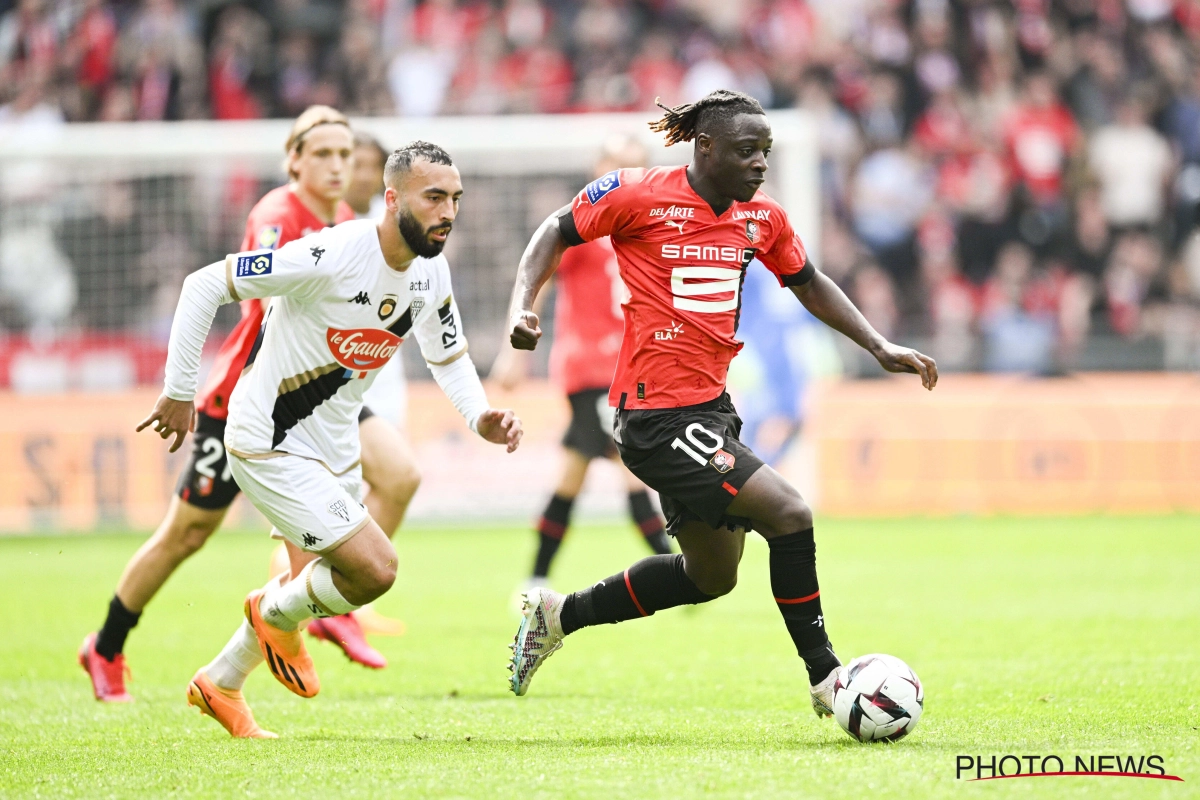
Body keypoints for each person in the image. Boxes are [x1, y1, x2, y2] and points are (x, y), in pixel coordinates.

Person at [504, 90, 938, 717]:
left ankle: (557, 615)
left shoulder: (761, 218)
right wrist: (523, 302)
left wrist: (876, 344)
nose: (760, 164)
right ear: (705, 147)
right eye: (746, 151)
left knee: (710, 577)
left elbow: (808, 282)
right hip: (653, 417)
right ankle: (828, 678)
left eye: (765, 151)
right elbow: (555, 230)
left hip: (708, 410)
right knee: (789, 513)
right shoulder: (634, 194)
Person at [138, 140, 522, 738]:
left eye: (455, 199)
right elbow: (202, 285)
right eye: (434, 198)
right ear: (392, 198)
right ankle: (270, 615)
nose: (448, 212)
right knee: (376, 571)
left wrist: (479, 416)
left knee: (325, 581)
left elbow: (447, 357)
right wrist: (179, 389)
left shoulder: (431, 271)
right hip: (268, 440)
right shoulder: (332, 252)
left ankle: (221, 681)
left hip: (335, 447)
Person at [77, 106, 414, 703]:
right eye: (326, 155)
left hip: (317, 394)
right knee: (186, 534)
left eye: (346, 155)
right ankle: (106, 645)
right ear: (294, 160)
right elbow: (259, 309)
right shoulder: (277, 216)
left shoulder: (340, 220)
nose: (339, 167)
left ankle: (322, 609)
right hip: (249, 396)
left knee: (399, 474)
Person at [491, 134, 671, 599]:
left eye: (636, 165)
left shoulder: (648, 224)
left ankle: (535, 579)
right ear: (600, 167)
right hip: (591, 368)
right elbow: (543, 271)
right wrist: (515, 351)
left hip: (628, 367)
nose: (626, 174)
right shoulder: (582, 221)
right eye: (617, 164)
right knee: (631, 464)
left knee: (577, 471)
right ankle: (677, 568)